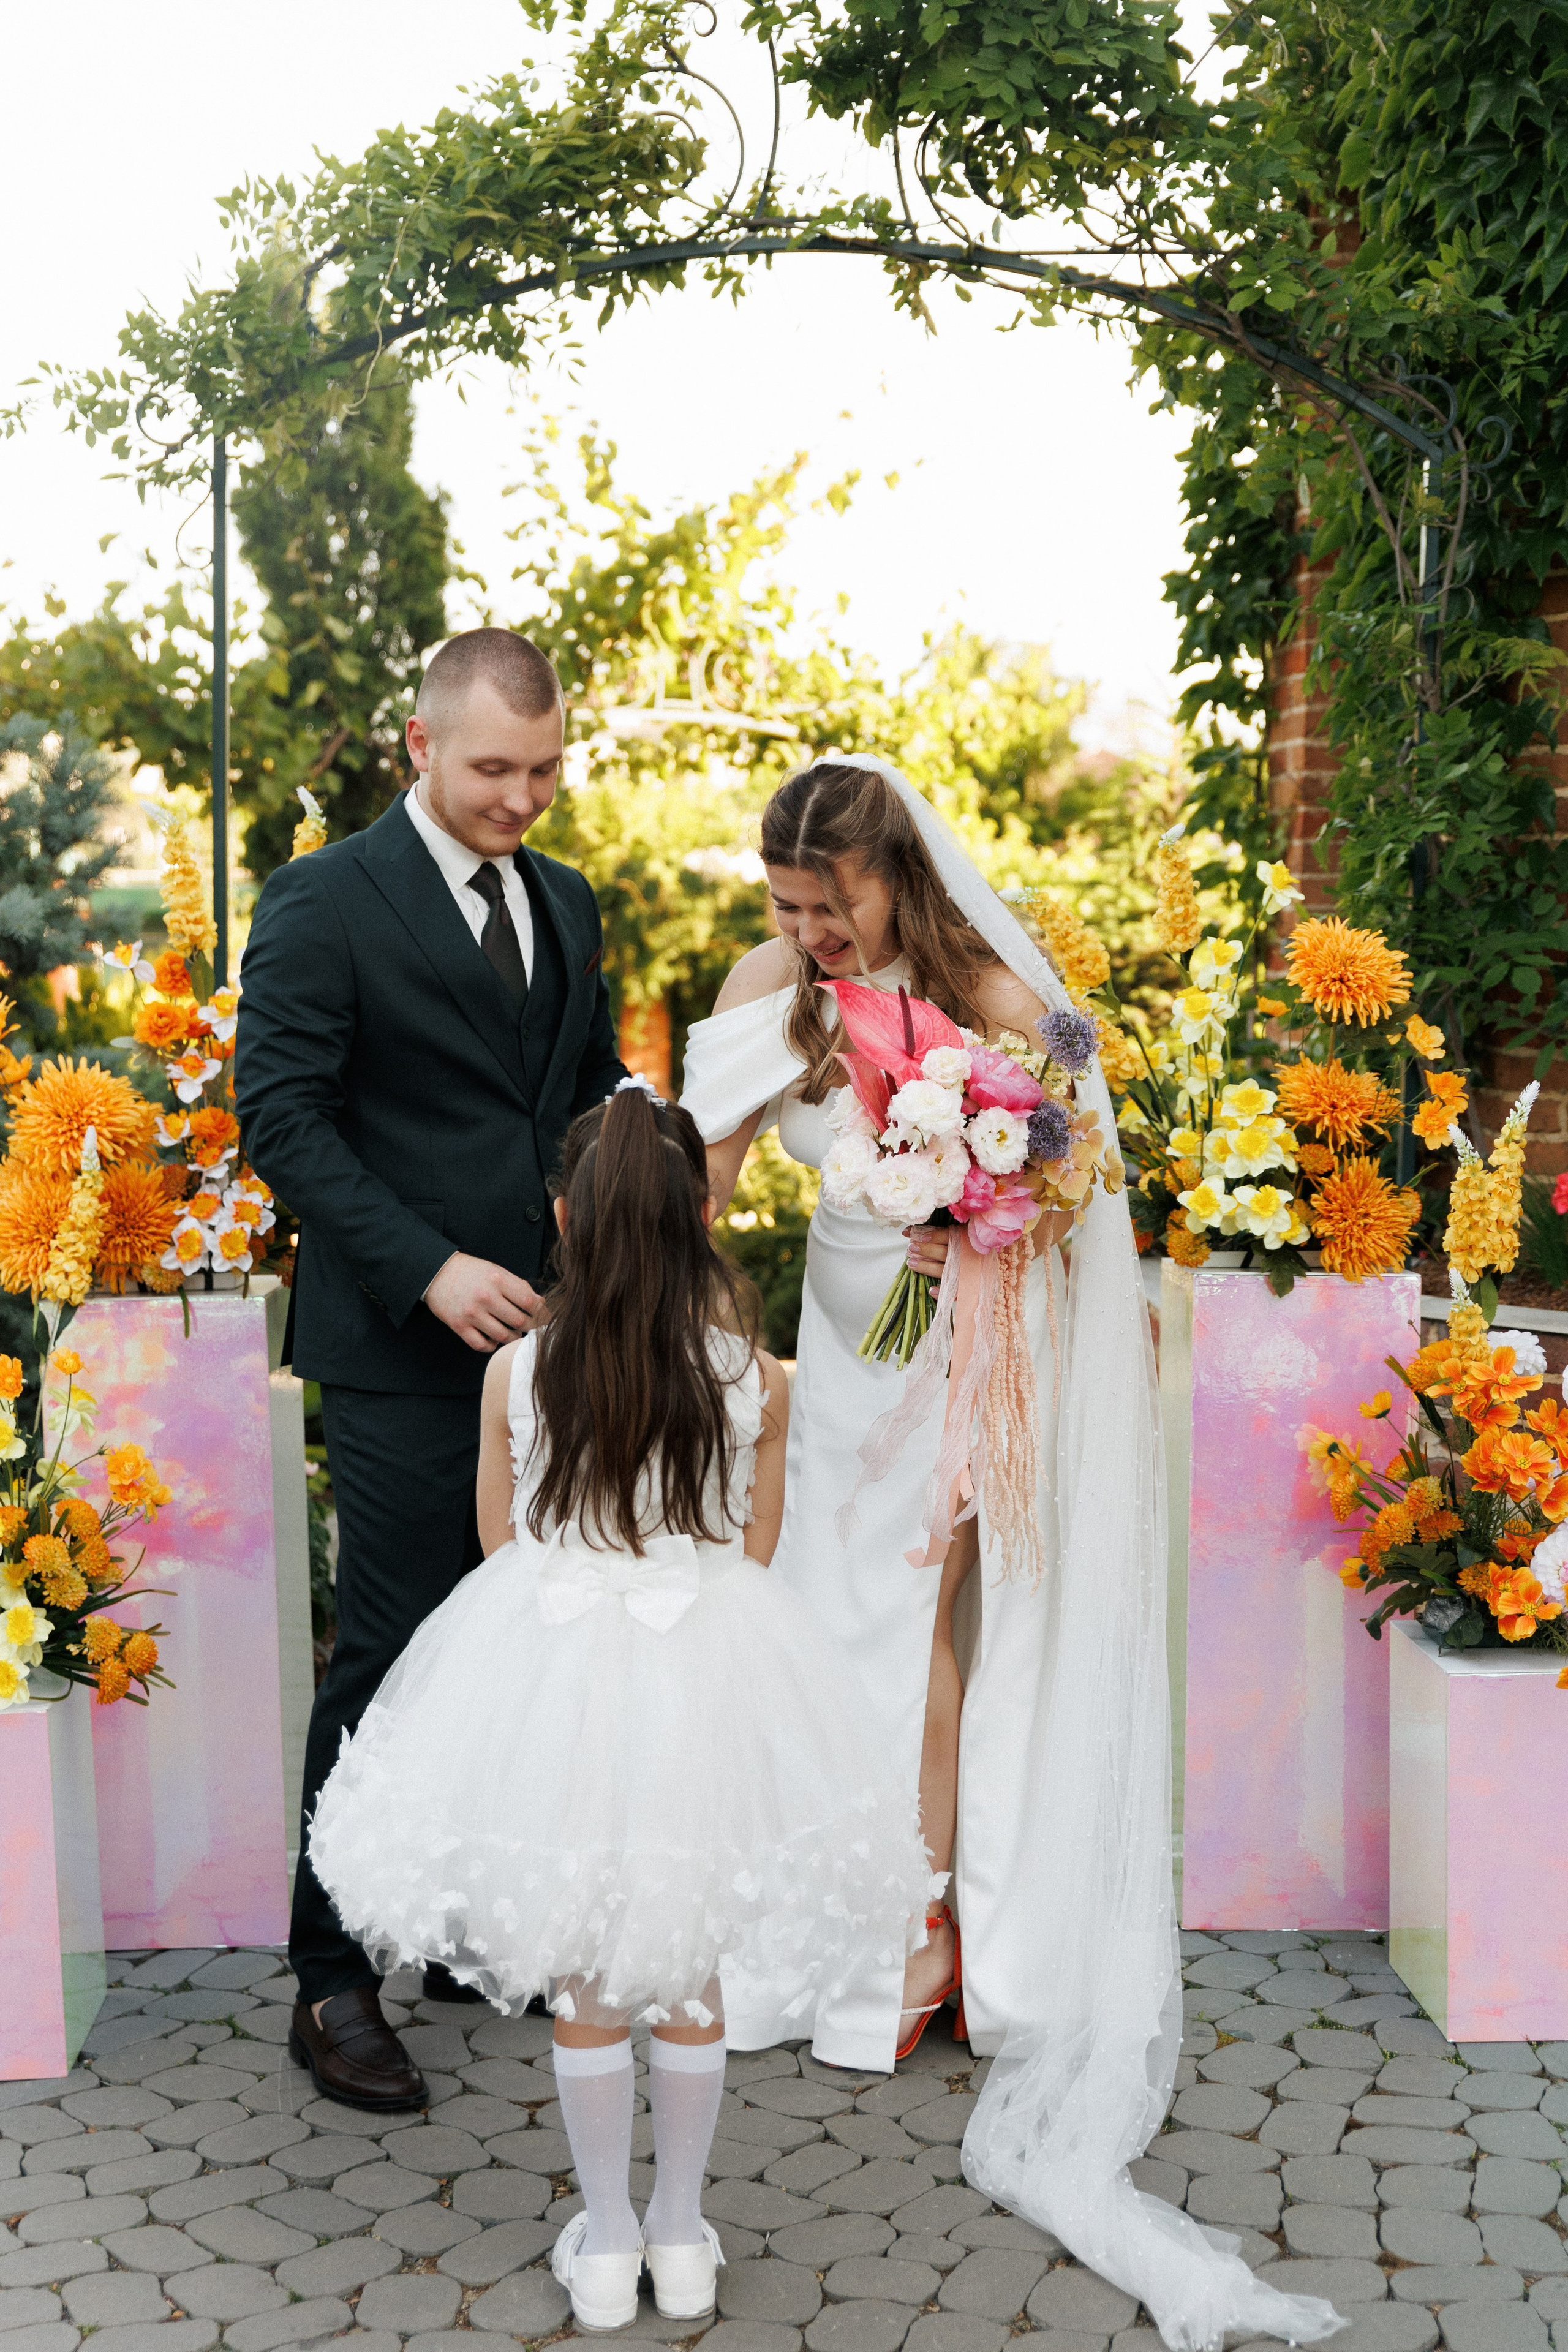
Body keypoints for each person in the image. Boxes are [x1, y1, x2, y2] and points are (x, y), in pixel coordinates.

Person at [680, 757, 1344, 2352]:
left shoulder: (989, 983)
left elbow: (1070, 1183)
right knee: (852, 1627)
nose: (808, 937)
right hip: (845, 1368)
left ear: (894, 881)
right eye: (784, 909)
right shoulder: (772, 984)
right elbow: (700, 1170)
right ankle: (869, 1949)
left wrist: (981, 1209)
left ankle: (998, 1941)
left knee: (997, 1630)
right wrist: (702, 1335)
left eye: (828, 910)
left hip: (987, 1345)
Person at [308, 1083, 935, 2332]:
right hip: (705, 1658)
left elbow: (498, 1543)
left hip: (548, 1663)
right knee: (688, 1962)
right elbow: (751, 1545)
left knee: (590, 1971)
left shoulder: (515, 1372)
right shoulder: (751, 1377)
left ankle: (601, 2244)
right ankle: (681, 2233)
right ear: (699, 1216)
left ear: (562, 1216)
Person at [235, 627, 626, 2113]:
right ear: (418, 743)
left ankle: (462, 1930)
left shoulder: (572, 904)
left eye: (544, 770)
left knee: (513, 1639)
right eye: (492, 770)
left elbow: (580, 1092)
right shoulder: (322, 900)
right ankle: (330, 1978)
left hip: (554, 1345)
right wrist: (424, 1265)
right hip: (403, 1347)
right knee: (390, 1651)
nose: (523, 799)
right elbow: (282, 1118)